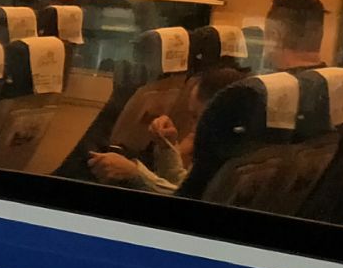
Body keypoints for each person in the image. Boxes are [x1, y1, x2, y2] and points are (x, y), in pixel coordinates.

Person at [88, 65, 249, 195]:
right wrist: (166, 146)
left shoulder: (239, 167)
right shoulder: (217, 152)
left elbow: (190, 201)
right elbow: (182, 184)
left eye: (197, 117)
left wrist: (135, 174)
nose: (193, 127)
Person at [262, 0, 328, 72]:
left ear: (274, 36)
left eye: (266, 34)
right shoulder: (339, 78)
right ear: (321, 34)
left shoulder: (266, 80)